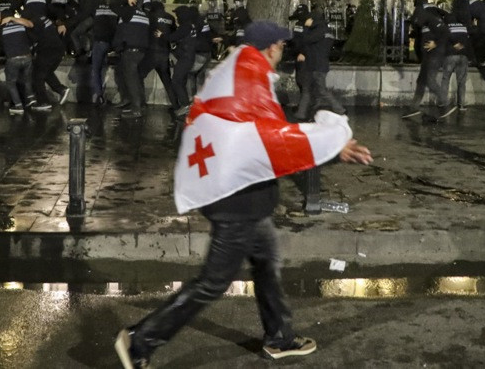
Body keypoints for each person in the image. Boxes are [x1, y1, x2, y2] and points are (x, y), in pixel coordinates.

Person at [114, 20, 373, 368]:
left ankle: (280, 338)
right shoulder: (250, 80)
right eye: (281, 46)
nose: (283, 52)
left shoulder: (237, 73)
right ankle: (139, 341)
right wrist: (333, 139)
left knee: (266, 265)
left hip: (245, 197)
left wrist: (333, 150)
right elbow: (273, 141)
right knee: (213, 282)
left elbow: (261, 137)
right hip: (236, 202)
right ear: (270, 48)